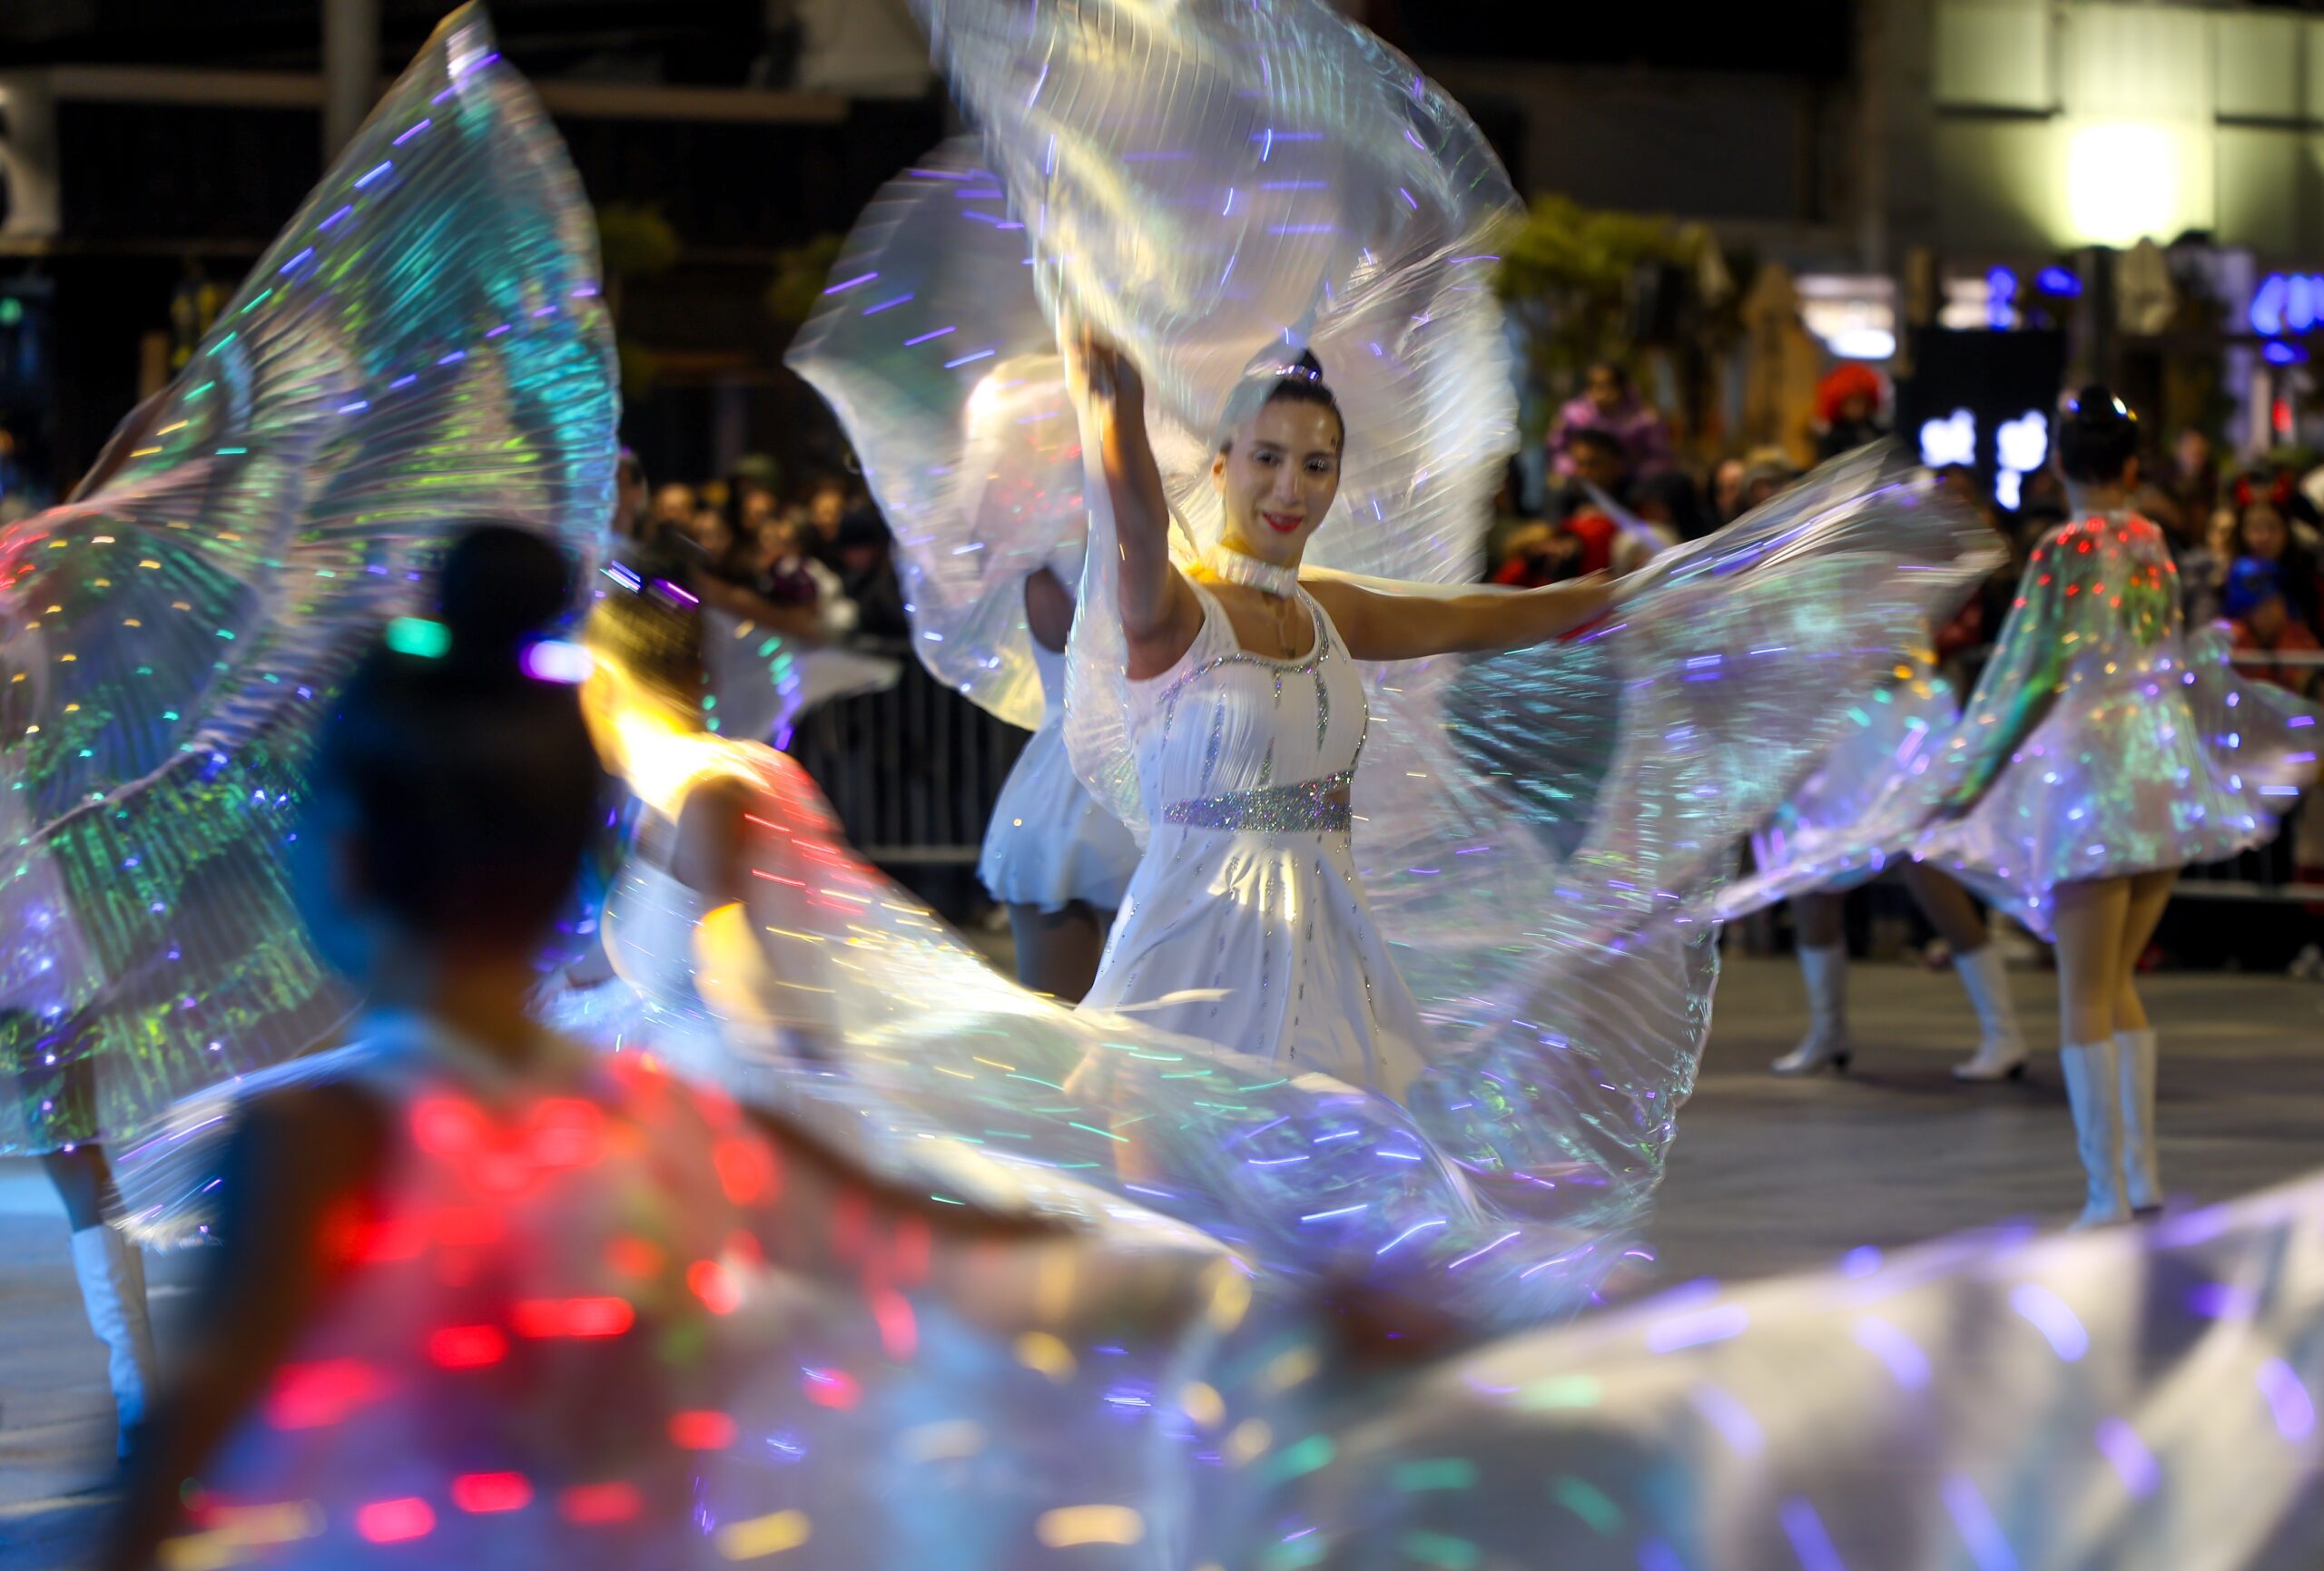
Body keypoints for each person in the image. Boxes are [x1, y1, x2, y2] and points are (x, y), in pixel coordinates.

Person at [0, 8, 616, 1466]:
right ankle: (170, 1375)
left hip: (25, 880)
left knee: (74, 1126)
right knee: (73, 1128)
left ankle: (155, 1377)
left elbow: (121, 585)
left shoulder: (38, 569)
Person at [1068, 331, 1623, 1089]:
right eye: (1267, 458)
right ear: (1221, 464)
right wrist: (1120, 414)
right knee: (1175, 1195)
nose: (1290, 489)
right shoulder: (1173, 614)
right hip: (1191, 957)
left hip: (1328, 961)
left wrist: (1626, 595)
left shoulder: (1331, 612)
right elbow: (1136, 525)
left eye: (1315, 465)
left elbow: (1479, 617)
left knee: (1337, 1191)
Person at [1921, 388, 2324, 1226]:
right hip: (2159, 771)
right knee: (2114, 986)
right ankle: (2136, 1181)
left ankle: (2107, 1191)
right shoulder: (2153, 541)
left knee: (2082, 992)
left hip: (2090, 776)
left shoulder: (2063, 549)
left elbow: (2034, 674)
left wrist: (1968, 776)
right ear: (2134, 466)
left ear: (2061, 463)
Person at [977, 540, 1141, 1001]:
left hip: (1050, 794)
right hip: (1134, 790)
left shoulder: (1034, 550)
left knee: (1057, 1022)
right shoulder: (1150, 547)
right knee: (1141, 1029)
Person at [1550, 361, 1672, 481]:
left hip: (1630, 482)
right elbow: (1556, 449)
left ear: (1623, 388)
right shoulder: (1573, 415)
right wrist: (1571, 470)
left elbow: (1661, 456)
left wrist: (1629, 473)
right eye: (1597, 386)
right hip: (1583, 481)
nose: (1603, 393)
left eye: (1609, 385)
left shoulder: (1644, 420)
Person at [2225, 557, 2322, 699]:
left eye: (2273, 602)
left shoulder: (2300, 639)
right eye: (2261, 606)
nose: (2269, 612)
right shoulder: (2230, 638)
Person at [2231, 491, 2324, 634]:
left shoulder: (2309, 582)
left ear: (2286, 532)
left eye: (2272, 527)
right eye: (2255, 528)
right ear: (2242, 533)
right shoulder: (2222, 582)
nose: (2264, 537)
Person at [1812, 363, 1887, 460]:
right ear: (1840, 405)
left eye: (1860, 400)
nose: (1856, 407)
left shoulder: (1879, 432)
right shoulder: (1833, 438)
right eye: (1850, 402)